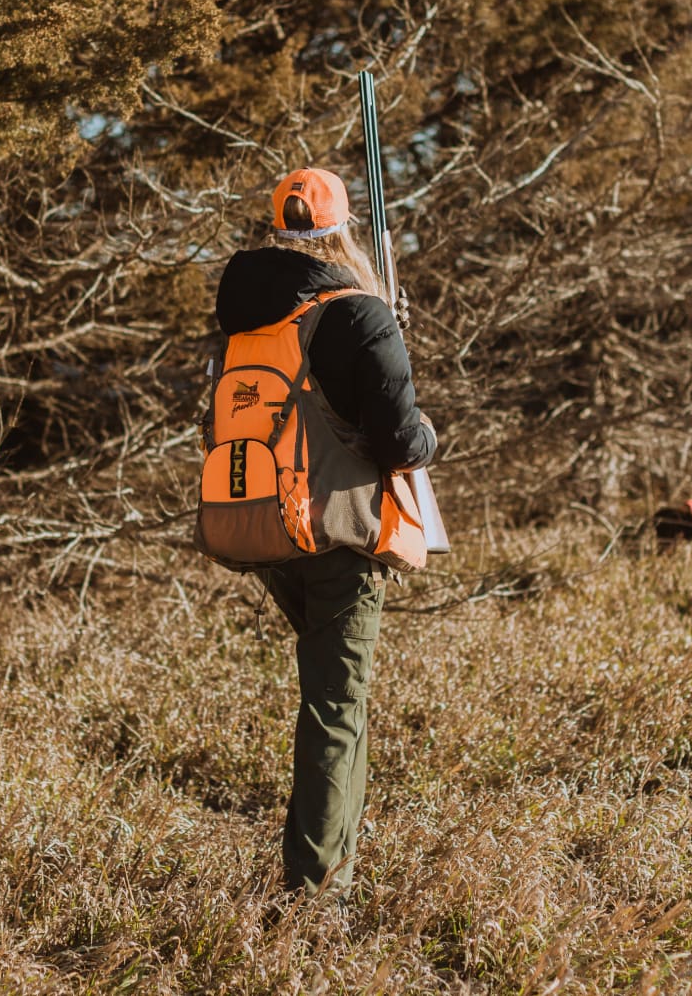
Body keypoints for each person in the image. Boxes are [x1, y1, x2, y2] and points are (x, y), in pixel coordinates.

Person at [213, 167, 435, 898]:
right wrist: (428, 432)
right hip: (337, 536)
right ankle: (312, 892)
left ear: (279, 225)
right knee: (335, 708)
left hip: (272, 532)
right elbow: (399, 440)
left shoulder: (247, 317)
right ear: (344, 227)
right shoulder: (359, 314)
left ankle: (339, 862)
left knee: (342, 701)